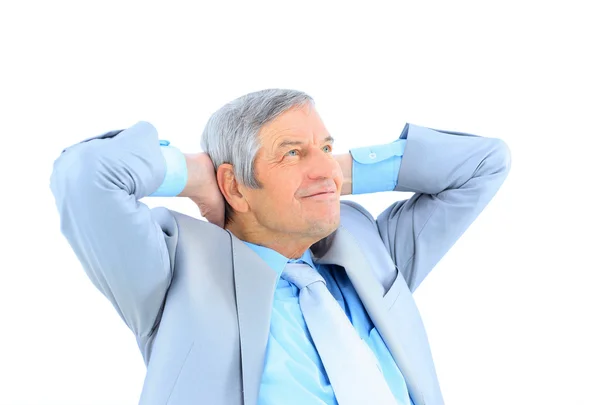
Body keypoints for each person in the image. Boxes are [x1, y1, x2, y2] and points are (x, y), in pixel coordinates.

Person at [50, 88, 511, 405]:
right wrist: (197, 176)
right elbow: (85, 175)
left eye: (326, 146)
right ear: (233, 184)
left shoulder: (368, 247)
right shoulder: (173, 272)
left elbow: (485, 163)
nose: (322, 165)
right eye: (292, 152)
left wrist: (332, 174)